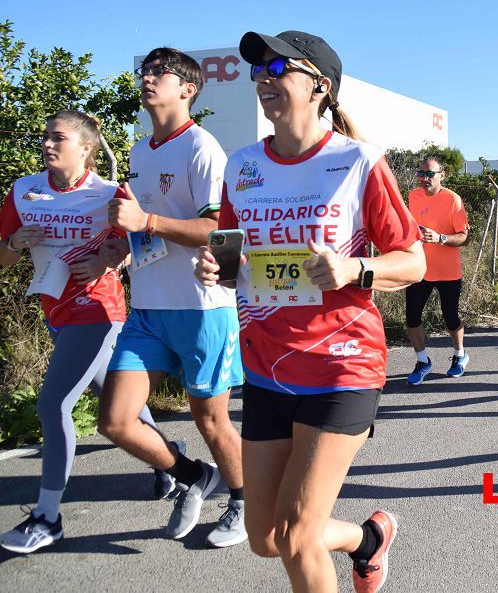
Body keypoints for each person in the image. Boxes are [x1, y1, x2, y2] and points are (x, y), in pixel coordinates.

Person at [197, 30, 424, 592]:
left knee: (298, 534)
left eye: (279, 67)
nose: (264, 77)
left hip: (341, 363)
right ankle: (367, 540)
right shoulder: (243, 167)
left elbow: (414, 260)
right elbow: (235, 250)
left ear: (320, 86)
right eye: (258, 70)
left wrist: (355, 270)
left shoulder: (359, 162)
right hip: (267, 365)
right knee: (265, 538)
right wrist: (219, 268)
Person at [97, 48, 246, 548]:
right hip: (149, 309)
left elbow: (219, 230)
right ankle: (193, 474)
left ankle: (243, 500)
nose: (147, 78)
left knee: (211, 419)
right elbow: (145, 232)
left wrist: (148, 223)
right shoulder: (140, 151)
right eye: (145, 71)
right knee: (115, 421)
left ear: (188, 89)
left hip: (203, 308)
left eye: (160, 73)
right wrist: (121, 245)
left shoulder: (203, 148)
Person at [0, 111, 168, 554]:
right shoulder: (23, 190)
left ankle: (47, 516)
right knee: (114, 395)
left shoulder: (110, 194)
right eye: (45, 136)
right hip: (54, 310)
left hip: (99, 310)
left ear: (87, 147)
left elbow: (143, 245)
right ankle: (170, 458)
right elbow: (2, 257)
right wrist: (15, 244)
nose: (48, 144)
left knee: (53, 402)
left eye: (59, 137)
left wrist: (110, 261)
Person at [404, 157, 471, 385]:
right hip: (420, 268)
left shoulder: (453, 199)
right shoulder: (413, 196)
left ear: (442, 175)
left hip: (448, 271)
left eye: (429, 174)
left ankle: (459, 354)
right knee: (411, 318)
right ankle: (423, 361)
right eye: (420, 173)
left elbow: (464, 237)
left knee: (450, 318)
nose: (424, 178)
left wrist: (440, 238)